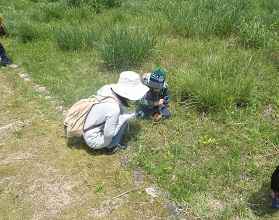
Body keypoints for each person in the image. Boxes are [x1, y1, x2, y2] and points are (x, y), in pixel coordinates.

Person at [83, 71, 149, 153]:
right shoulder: (114, 108)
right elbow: (109, 134)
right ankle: (112, 147)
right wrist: (122, 119)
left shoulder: (108, 90)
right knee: (123, 118)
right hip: (94, 140)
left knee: (122, 113)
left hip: (88, 130)